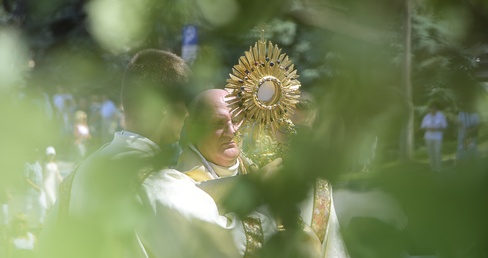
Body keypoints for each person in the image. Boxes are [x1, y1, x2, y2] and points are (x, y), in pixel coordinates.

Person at [39, 49, 276, 258]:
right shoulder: (157, 184)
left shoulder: (80, 173)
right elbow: (232, 246)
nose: (185, 119)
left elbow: (48, 246)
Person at [177, 89, 349, 258]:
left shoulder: (262, 168)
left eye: (236, 120)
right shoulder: (177, 185)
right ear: (193, 130)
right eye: (218, 123)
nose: (231, 131)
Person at [420, 101, 447, 172]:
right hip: (428, 137)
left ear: (436, 109)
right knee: (430, 152)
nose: (432, 110)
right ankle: (432, 167)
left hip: (437, 137)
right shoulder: (426, 117)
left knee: (437, 152)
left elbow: (444, 127)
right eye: (430, 109)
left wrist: (436, 129)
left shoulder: (441, 116)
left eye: (434, 109)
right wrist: (428, 128)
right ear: (429, 109)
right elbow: (422, 127)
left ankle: (438, 168)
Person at [23, 149, 46, 230]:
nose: (37, 156)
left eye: (38, 154)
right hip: (30, 191)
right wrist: (35, 186)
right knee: (27, 208)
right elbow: (26, 179)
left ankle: (40, 223)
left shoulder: (38, 164)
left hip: (39, 191)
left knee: (42, 206)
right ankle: (23, 224)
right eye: (35, 154)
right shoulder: (28, 165)